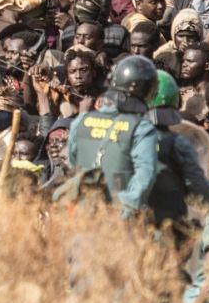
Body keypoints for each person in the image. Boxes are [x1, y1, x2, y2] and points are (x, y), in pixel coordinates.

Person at [62, 55, 160, 218]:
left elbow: (72, 162)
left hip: (82, 210)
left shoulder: (81, 120)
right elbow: (145, 175)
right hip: (120, 213)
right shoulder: (141, 128)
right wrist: (126, 211)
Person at [144, 71, 209, 233]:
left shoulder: (120, 136)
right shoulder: (177, 142)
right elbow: (201, 190)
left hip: (123, 226)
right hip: (167, 228)